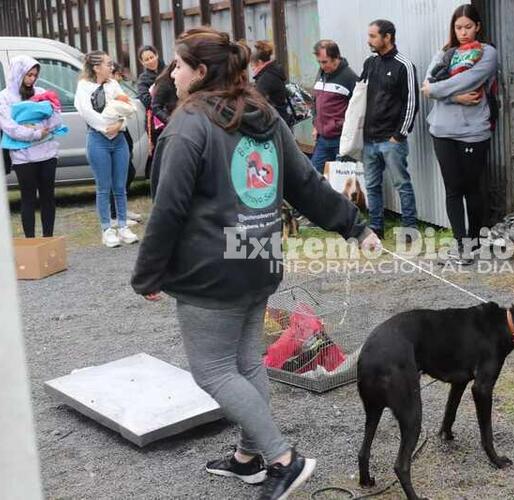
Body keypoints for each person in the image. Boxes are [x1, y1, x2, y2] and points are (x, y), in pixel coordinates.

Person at [130, 27, 381, 500]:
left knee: (214, 371)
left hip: (212, 271)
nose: (171, 73)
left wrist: (148, 273)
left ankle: (283, 459)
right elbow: (305, 184)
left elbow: (168, 208)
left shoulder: (188, 126)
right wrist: (355, 225)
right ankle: (248, 459)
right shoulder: (264, 114)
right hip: (258, 257)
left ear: (201, 72)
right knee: (245, 363)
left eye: (178, 65)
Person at [422, 4, 497, 265]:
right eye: (458, 27)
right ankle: (460, 243)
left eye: (467, 27)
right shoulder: (444, 54)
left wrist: (438, 90)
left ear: (477, 26)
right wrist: (453, 96)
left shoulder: (486, 53)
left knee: (472, 188)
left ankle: (474, 242)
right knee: (452, 188)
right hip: (441, 130)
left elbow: (466, 81)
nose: (463, 32)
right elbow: (427, 86)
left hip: (472, 131)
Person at [361, 19, 419, 239]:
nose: (369, 40)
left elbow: (411, 103)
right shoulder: (370, 63)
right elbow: (360, 97)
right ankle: (376, 229)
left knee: (402, 184)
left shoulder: (404, 65)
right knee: (372, 186)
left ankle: (409, 229)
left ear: (388, 37)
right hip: (369, 139)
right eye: (369, 36)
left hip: (391, 139)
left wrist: (399, 134)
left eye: (373, 36)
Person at [74, 50, 138, 248]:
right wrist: (105, 127)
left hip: (119, 139)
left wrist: (120, 125)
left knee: (120, 187)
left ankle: (122, 226)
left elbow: (126, 106)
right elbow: (86, 112)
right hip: (98, 139)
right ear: (96, 67)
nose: (112, 67)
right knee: (104, 187)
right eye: (108, 64)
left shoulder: (113, 84)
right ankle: (106, 229)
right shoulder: (84, 87)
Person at [0, 56, 62, 238]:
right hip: (23, 157)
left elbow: (56, 118)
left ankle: (48, 240)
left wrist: (41, 129)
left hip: (48, 153)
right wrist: (35, 133)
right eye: (28, 75)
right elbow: (9, 127)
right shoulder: (4, 97)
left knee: (48, 198)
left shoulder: (41, 92)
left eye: (35, 75)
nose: (32, 79)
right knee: (28, 198)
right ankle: (30, 242)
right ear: (19, 74)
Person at [311, 40, 358, 173]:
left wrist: (340, 125)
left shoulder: (350, 77)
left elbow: (357, 110)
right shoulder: (321, 73)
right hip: (322, 139)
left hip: (341, 140)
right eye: (319, 62)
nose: (321, 65)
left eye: (325, 62)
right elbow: (316, 101)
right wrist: (315, 124)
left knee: (342, 181)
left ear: (336, 58)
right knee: (313, 175)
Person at [110, 62, 142, 227]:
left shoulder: (116, 88)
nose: (119, 78)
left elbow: (129, 106)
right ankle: (114, 215)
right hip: (115, 133)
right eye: (116, 74)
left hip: (123, 130)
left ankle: (121, 209)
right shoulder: (107, 90)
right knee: (119, 173)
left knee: (128, 170)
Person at [251, 40, 291, 125]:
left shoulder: (266, 78)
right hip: (282, 119)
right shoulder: (273, 71)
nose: (252, 68)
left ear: (260, 62)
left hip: (274, 123)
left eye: (253, 65)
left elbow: (256, 103)